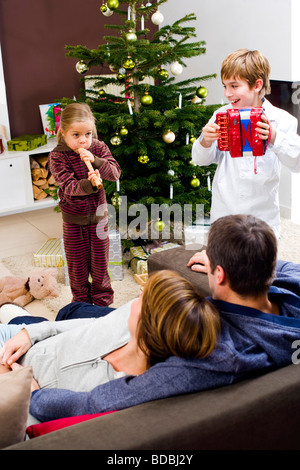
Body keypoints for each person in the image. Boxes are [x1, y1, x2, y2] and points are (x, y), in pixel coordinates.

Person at [2, 215, 300, 424]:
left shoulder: (222, 355)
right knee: (75, 312)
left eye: (212, 264)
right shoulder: (290, 297)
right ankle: (21, 318)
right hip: (82, 337)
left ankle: (13, 311)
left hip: (45, 373)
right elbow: (280, 264)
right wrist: (231, 258)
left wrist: (36, 398)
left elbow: (100, 402)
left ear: (219, 275)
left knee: (73, 311)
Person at [0, 269, 220, 421]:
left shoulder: (116, 392)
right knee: (64, 312)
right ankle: (15, 316)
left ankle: (13, 313)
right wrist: (31, 333)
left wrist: (30, 396)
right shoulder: (127, 320)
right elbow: (85, 325)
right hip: (27, 341)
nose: (138, 294)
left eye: (143, 299)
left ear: (146, 329)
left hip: (15, 383)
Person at [192, 49, 300, 238]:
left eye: (234, 86)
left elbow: (296, 162)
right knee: (223, 264)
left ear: (257, 85)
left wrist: (275, 137)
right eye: (225, 86)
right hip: (224, 212)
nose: (227, 93)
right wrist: (205, 141)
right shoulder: (220, 116)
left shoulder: (282, 120)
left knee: (259, 265)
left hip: (262, 219)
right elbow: (200, 160)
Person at [48, 102, 121, 306]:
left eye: (88, 134)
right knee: (77, 269)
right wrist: (90, 184)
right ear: (63, 133)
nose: (83, 141)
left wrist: (97, 161)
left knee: (100, 267)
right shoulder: (57, 156)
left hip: (99, 220)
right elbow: (69, 186)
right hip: (73, 223)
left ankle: (102, 304)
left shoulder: (98, 147)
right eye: (76, 135)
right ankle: (81, 305)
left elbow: (115, 173)